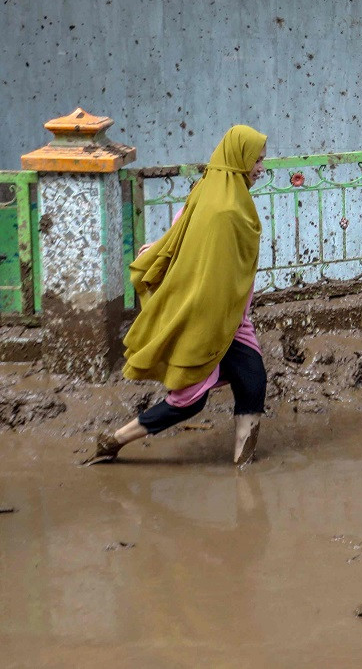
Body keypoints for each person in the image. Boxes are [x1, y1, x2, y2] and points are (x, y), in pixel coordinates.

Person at [85, 125, 268, 467]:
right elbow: (204, 262)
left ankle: (244, 466)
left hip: (231, 317)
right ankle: (113, 441)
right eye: (256, 160)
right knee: (190, 399)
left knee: (252, 380)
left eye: (262, 160)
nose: (261, 168)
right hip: (208, 317)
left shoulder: (212, 192)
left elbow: (182, 237)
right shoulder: (224, 210)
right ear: (239, 158)